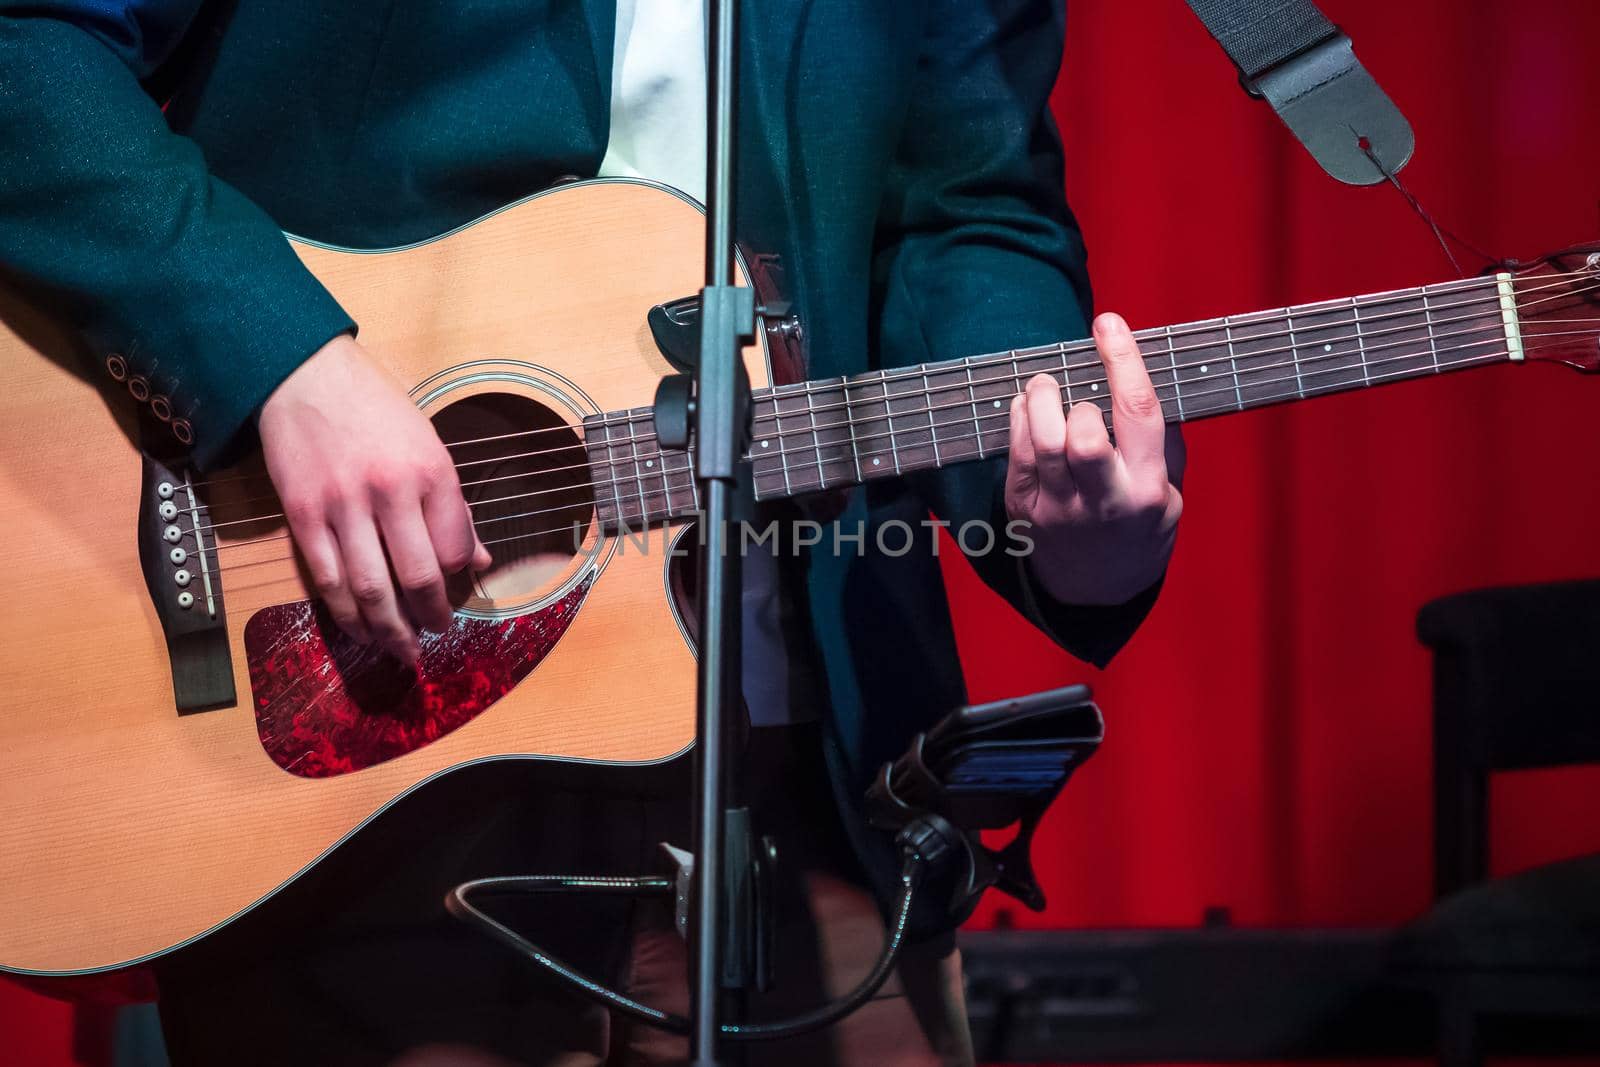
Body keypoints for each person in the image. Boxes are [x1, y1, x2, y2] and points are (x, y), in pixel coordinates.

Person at [0, 1, 1184, 1064]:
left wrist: (1052, 511)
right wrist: (280, 366)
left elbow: (968, 211)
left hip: (803, 776)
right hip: (354, 747)